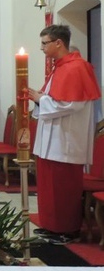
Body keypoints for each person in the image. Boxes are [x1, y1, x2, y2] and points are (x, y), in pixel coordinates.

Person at [28, 24, 101, 243]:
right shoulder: (60, 67)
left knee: (64, 189)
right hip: (52, 138)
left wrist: (40, 99)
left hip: (66, 140)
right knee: (49, 187)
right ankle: (51, 226)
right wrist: (41, 97)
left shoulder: (76, 68)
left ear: (58, 43)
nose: (41, 48)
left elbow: (71, 103)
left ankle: (68, 230)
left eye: (44, 43)